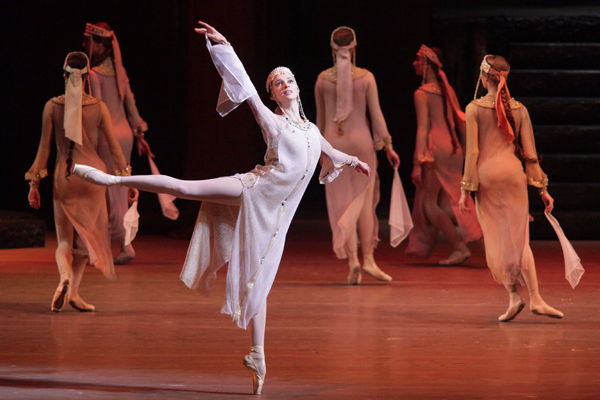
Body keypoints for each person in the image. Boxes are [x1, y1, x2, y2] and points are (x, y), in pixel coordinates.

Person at [73, 22, 370, 395]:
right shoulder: (273, 123)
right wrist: (225, 47)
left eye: (289, 79)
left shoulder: (311, 129)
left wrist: (356, 160)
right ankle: (113, 181)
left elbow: (331, 152)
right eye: (278, 83)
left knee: (259, 285)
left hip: (275, 220)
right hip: (253, 191)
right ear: (274, 95)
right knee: (186, 187)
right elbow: (245, 89)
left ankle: (258, 354)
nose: (286, 84)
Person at [26, 52, 135, 313]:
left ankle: (66, 280)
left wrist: (34, 183)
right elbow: (115, 148)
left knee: (65, 241)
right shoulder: (99, 107)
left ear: (64, 75)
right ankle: (73, 290)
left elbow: (44, 150)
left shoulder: (52, 106)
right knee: (88, 239)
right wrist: (129, 179)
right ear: (87, 78)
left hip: (65, 176)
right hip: (92, 177)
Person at [458, 54, 563, 321]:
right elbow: (530, 154)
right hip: (513, 175)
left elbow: (473, 152)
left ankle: (514, 295)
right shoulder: (520, 109)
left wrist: (465, 189)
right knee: (519, 237)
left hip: (488, 176)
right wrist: (542, 189)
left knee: (496, 237)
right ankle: (535, 298)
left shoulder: (474, 108)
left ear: (484, 77)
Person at [315, 27, 400, 285]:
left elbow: (319, 120)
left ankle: (353, 261)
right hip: (361, 142)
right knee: (361, 202)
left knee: (343, 203)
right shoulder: (366, 78)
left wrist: (318, 151)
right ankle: (369, 260)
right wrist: (388, 146)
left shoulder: (322, 80)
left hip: (333, 144)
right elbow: (376, 116)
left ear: (332, 50)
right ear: (354, 50)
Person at [82, 22, 153, 264]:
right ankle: (122, 244)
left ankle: (115, 245)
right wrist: (140, 137)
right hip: (125, 136)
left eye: (89, 41)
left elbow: (98, 111)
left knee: (106, 192)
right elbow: (131, 106)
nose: (85, 44)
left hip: (107, 138)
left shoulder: (94, 74)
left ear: (102, 46)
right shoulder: (119, 72)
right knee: (118, 190)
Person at [407, 45, 482, 264]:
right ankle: (482, 236)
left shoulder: (422, 94)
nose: (415, 63)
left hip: (436, 149)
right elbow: (458, 120)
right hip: (453, 149)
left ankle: (460, 247)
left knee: (429, 204)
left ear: (428, 64)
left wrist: (417, 162)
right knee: (450, 204)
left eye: (418, 59)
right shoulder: (446, 89)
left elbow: (423, 129)